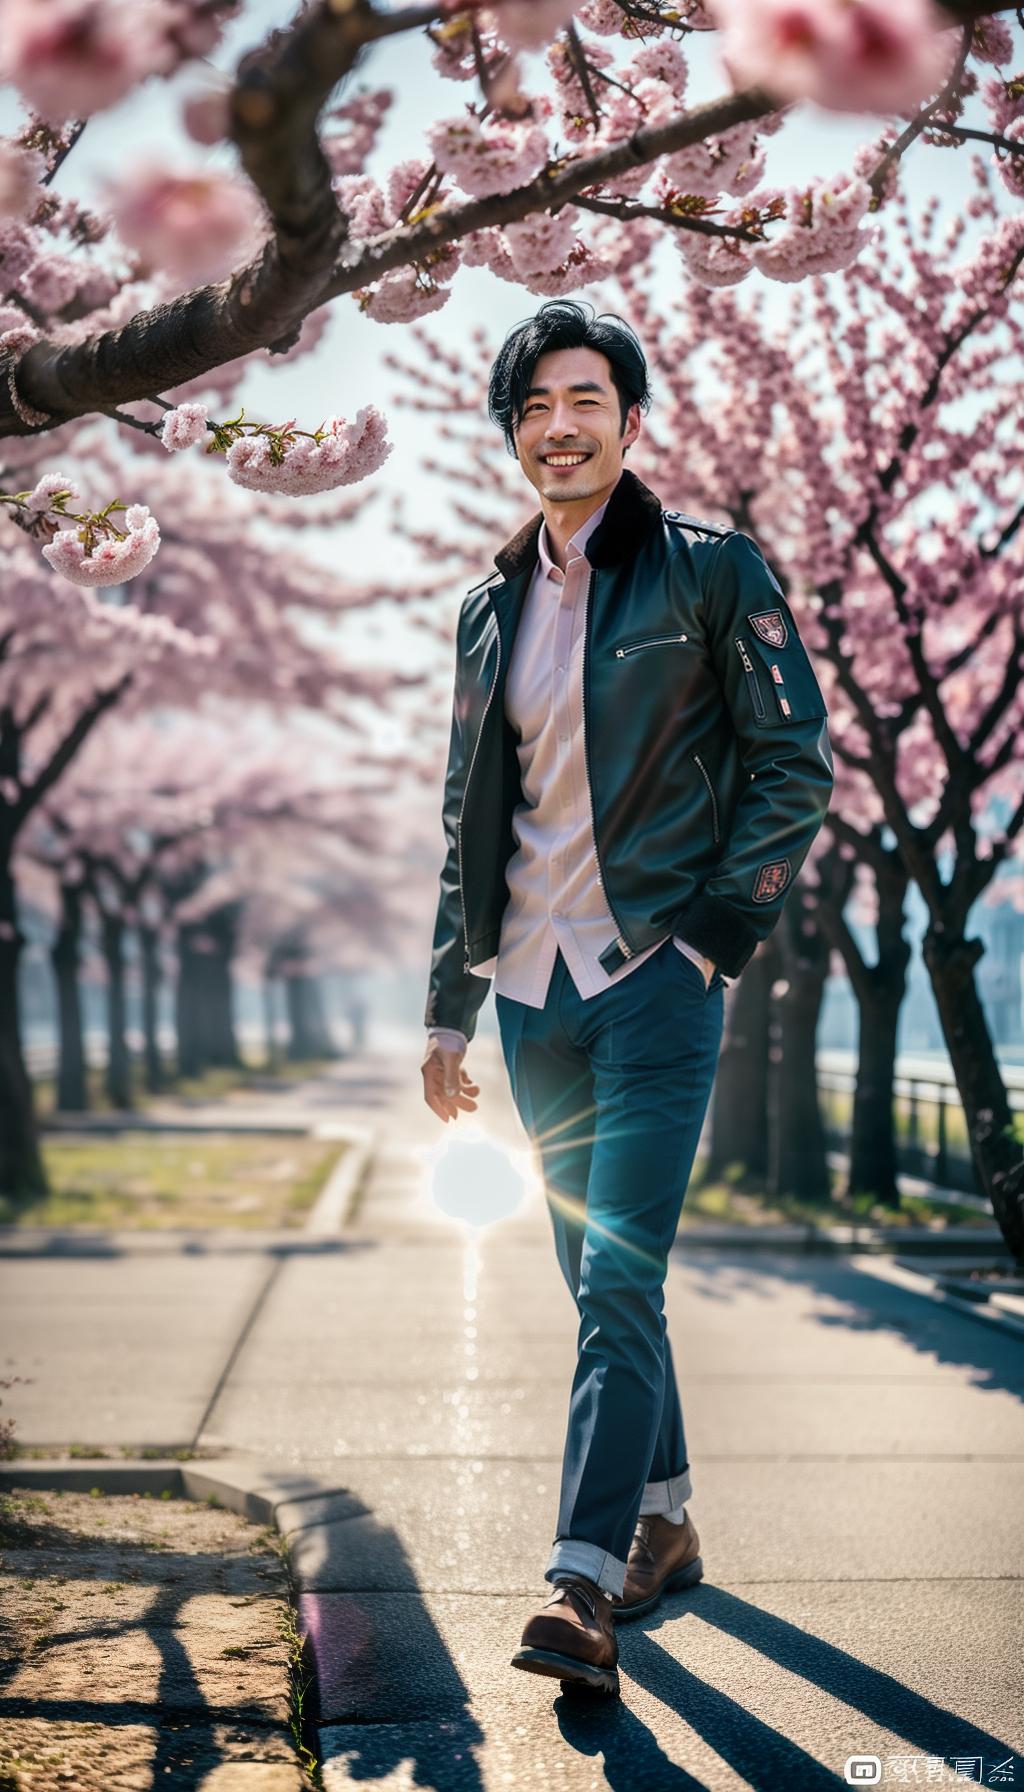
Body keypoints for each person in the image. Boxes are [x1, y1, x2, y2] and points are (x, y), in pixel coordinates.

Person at [421, 299, 833, 1699]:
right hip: (533, 995)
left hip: (656, 980)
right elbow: (468, 823)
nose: (559, 424)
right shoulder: (486, 609)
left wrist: (713, 941)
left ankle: (582, 1587)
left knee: (616, 1280)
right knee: (592, 1283)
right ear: (513, 432)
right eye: (534, 405)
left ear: (632, 419)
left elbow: (797, 771)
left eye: (585, 399)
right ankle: (666, 1518)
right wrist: (445, 1010)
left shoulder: (713, 573)